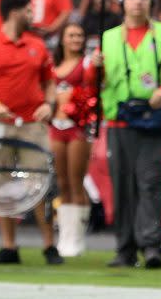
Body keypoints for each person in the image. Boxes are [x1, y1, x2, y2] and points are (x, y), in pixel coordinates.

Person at [94, 0, 161, 269]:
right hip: (118, 121)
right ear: (122, 2)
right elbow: (96, 84)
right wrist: (94, 68)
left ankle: (151, 247)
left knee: (149, 183)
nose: (138, 2)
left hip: (154, 120)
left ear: (151, 3)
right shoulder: (108, 37)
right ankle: (125, 248)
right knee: (123, 187)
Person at [0, 0, 61, 266]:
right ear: (15, 12)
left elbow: (50, 82)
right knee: (1, 185)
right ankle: (9, 246)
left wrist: (50, 104)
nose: (33, 16)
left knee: (41, 182)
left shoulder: (37, 45)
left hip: (32, 125)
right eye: (29, 10)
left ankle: (49, 246)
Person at [49, 22, 96, 259]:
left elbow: (95, 84)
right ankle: (64, 237)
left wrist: (97, 68)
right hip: (56, 127)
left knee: (77, 181)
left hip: (78, 127)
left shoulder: (87, 63)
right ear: (62, 39)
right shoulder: (53, 65)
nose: (76, 39)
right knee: (62, 181)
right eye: (71, 35)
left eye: (80, 34)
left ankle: (77, 239)